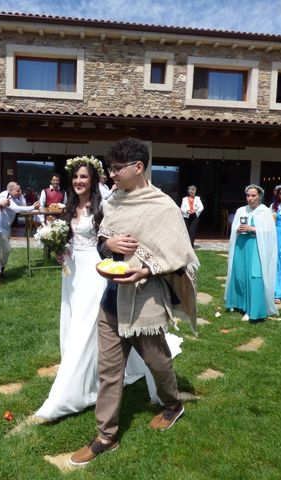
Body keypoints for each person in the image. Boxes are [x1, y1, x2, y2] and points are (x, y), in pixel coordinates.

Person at [70, 138, 198, 466]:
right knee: (110, 371)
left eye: (117, 169)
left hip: (146, 302)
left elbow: (179, 253)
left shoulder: (163, 206)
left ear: (138, 167)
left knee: (158, 363)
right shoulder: (113, 203)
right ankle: (106, 436)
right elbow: (102, 243)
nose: (111, 175)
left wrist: (146, 270)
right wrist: (107, 242)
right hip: (111, 298)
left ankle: (173, 404)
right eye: (110, 168)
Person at [36, 156, 182, 421]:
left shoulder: (104, 206)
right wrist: (61, 250)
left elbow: (105, 240)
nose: (79, 181)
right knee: (76, 323)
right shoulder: (69, 207)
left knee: (85, 325)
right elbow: (73, 239)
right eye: (76, 177)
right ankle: (88, 375)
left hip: (96, 271)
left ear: (93, 180)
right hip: (73, 273)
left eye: (84, 177)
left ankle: (66, 394)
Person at [225, 185, 278, 322]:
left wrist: (252, 228)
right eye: (248, 195)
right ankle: (238, 303)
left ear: (259, 196)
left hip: (255, 247)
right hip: (241, 247)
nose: (250, 198)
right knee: (239, 274)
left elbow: (270, 232)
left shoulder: (265, 212)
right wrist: (237, 229)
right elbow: (234, 227)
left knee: (254, 276)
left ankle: (253, 309)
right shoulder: (241, 210)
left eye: (253, 195)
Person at [0, 181, 39, 278]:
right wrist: (33, 207)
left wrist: (21, 196)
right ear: (10, 190)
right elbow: (16, 209)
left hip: (5, 227)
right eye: (17, 190)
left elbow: (23, 206)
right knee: (5, 249)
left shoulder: (14, 197)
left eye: (20, 190)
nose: (19, 192)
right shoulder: (4, 197)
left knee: (2, 250)